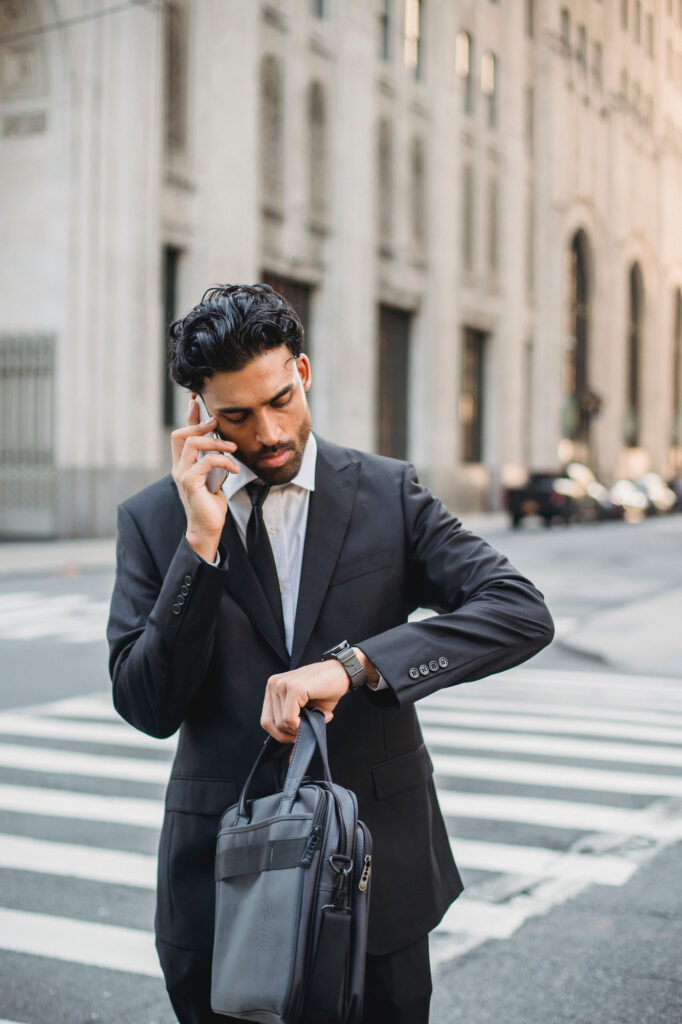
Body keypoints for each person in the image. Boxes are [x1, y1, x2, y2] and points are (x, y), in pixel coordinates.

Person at [107, 283, 554, 1024]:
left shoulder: (388, 492)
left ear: (304, 371)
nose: (270, 432)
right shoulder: (157, 523)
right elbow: (147, 706)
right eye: (237, 417)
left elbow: (519, 610)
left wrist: (355, 665)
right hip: (224, 886)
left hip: (380, 875)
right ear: (199, 415)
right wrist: (200, 543)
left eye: (281, 399)